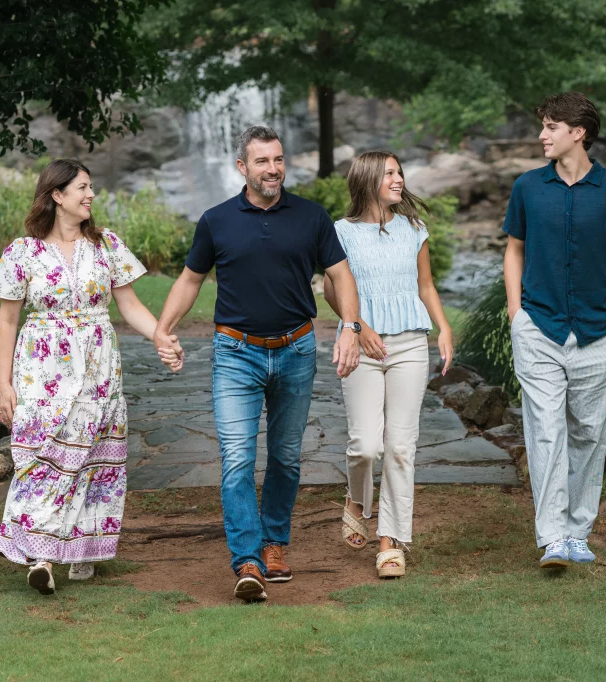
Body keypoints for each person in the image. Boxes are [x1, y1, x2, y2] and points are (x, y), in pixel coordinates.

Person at [153, 126, 362, 602]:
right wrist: (165, 329)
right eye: (262, 161)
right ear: (242, 168)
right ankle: (246, 559)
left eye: (279, 159)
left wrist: (350, 327)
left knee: (286, 458)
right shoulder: (216, 220)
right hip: (235, 354)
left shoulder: (311, 217)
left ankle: (274, 544)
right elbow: (190, 280)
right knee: (237, 461)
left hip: (296, 350)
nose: (273, 169)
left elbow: (340, 275)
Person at [0, 159, 182, 595]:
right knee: (40, 453)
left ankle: (82, 548)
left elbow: (128, 305)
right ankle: (40, 555)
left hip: (97, 363)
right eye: (82, 188)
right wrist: (3, 383)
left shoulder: (106, 245)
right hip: (42, 367)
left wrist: (161, 338)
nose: (90, 195)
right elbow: (6, 321)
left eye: (91, 187)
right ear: (57, 196)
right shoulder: (23, 251)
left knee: (93, 456)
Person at [502, 92, 606, 568]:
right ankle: (553, 537)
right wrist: (516, 312)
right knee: (544, 431)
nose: (542, 135)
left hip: (600, 332)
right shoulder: (527, 187)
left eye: (550, 127)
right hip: (538, 328)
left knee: (588, 433)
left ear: (578, 132)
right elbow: (514, 250)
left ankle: (579, 532)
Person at [324, 151, 456, 579]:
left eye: (400, 173)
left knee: (400, 447)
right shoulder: (340, 233)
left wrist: (444, 328)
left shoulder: (414, 229)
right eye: (389, 174)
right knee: (366, 445)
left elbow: (425, 284)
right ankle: (357, 500)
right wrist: (358, 328)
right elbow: (330, 290)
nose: (399, 180)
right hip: (362, 348)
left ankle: (390, 541)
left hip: (410, 346)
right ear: (366, 180)